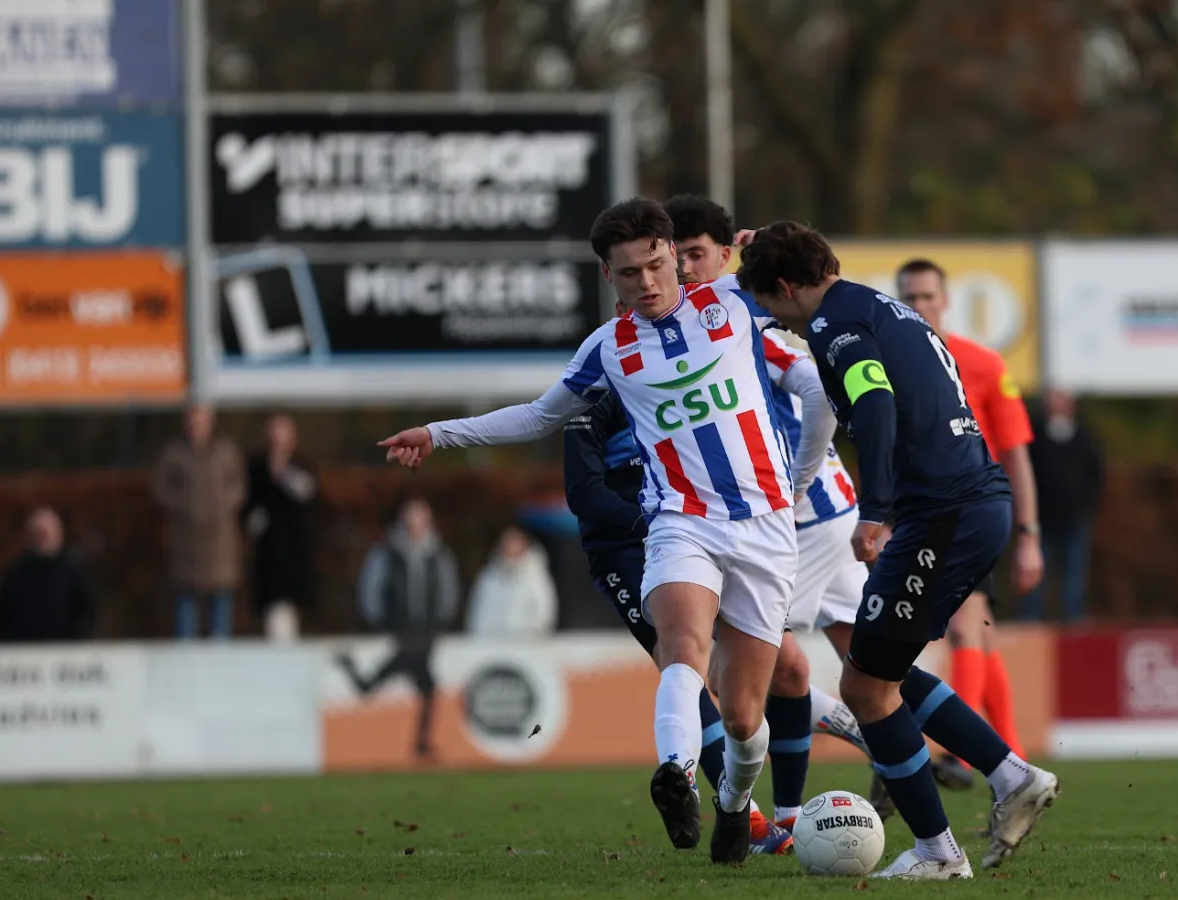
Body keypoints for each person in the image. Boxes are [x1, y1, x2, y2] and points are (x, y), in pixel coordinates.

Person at [376, 198, 825, 865]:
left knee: (741, 719)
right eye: (627, 273)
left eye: (653, 264)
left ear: (674, 253)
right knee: (682, 645)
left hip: (765, 526)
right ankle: (675, 773)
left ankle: (734, 803)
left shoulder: (733, 304)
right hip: (680, 520)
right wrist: (439, 433)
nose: (645, 282)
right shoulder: (609, 348)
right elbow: (536, 417)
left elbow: (813, 301)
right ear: (607, 278)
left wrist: (801, 480)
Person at [737, 222, 1060, 880]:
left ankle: (941, 853)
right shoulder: (873, 305)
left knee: (865, 684)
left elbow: (876, 402)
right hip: (967, 507)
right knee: (881, 670)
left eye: (770, 305)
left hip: (941, 515)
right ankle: (1009, 773)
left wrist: (876, 511)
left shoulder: (833, 325)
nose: (776, 321)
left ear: (789, 286)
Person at [664, 193, 881, 830]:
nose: (682, 272)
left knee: (771, 670)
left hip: (796, 520)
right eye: (671, 261)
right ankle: (989, 765)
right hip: (793, 517)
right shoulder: (648, 335)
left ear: (726, 256)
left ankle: (771, 814)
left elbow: (816, 384)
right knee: (854, 663)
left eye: (694, 256)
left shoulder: (743, 317)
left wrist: (799, 475)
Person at [896, 258, 1042, 787]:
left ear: (946, 300)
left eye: (927, 297)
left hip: (974, 508)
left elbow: (1017, 454)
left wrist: (1029, 537)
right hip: (921, 513)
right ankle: (1015, 759)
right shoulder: (891, 363)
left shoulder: (982, 364)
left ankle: (962, 752)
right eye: (908, 298)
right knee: (981, 632)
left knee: (964, 622)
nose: (918, 307)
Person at [338, 496, 460, 760]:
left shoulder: (439, 555)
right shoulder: (385, 553)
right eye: (411, 516)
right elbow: (371, 592)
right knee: (388, 685)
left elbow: (448, 594)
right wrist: (382, 623)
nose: (415, 523)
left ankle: (422, 744)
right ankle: (420, 744)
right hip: (398, 636)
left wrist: (437, 624)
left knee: (425, 687)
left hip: (424, 637)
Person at [152, 403, 246, 639]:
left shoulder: (226, 451)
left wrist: (221, 504)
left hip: (219, 541)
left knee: (221, 597)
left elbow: (239, 486)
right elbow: (160, 487)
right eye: (193, 421)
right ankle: (186, 650)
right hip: (186, 541)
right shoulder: (174, 453)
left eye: (201, 421)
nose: (197, 426)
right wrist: (184, 504)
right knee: (186, 600)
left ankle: (220, 647)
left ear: (210, 422)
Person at [1022, 388, 1104, 622]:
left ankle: (1074, 617)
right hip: (1041, 518)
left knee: (1074, 573)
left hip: (1074, 517)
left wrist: (1087, 506)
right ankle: (1031, 616)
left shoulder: (1084, 436)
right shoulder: (1034, 435)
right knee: (1035, 570)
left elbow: (1095, 474)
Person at [244, 413, 318, 642]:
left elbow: (309, 494)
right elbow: (248, 509)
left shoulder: (302, 465)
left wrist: (284, 474)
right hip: (269, 557)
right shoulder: (256, 468)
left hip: (296, 554)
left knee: (294, 613)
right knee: (275, 614)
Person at [0, 507, 94, 642]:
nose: (43, 538)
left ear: (59, 534)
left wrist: (73, 640)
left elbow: (86, 613)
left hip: (65, 652)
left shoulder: (74, 574)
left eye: (48, 533)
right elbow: (5, 614)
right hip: (23, 653)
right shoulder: (15, 574)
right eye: (39, 534)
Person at [465, 525, 559, 638]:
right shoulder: (489, 577)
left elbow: (544, 613)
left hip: (528, 645)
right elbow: (477, 611)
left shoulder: (536, 577)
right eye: (507, 543)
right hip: (491, 646)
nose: (510, 548)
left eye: (515, 542)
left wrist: (531, 637)